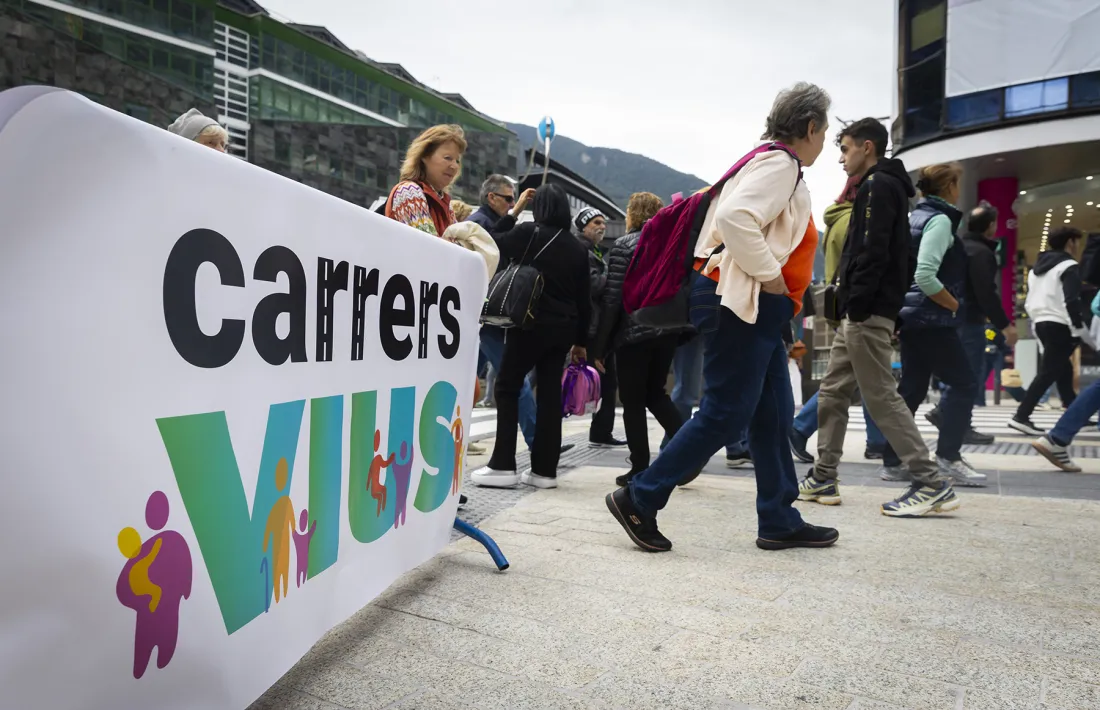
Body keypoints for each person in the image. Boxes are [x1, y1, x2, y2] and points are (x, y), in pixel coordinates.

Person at [605, 82, 839, 552]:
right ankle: (641, 497)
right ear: (810, 127)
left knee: (772, 414)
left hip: (751, 303)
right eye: (824, 131)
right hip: (741, 299)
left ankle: (778, 516)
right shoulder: (780, 164)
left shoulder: (770, 163)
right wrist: (772, 277)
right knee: (727, 411)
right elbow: (736, 217)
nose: (824, 141)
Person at [804, 118, 962, 517]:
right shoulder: (890, 189)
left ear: (868, 147)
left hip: (865, 311)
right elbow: (902, 255)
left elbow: (872, 253)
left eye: (845, 149)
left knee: (881, 397)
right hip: (865, 310)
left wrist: (859, 304)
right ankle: (824, 474)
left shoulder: (878, 186)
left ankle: (930, 481)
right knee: (834, 390)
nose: (841, 158)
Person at [870, 163, 986, 486]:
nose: (958, 190)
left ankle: (893, 461)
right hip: (932, 318)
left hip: (912, 317)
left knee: (911, 390)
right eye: (957, 184)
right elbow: (924, 274)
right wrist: (953, 303)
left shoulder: (916, 217)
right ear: (949, 186)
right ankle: (948, 456)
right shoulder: (939, 221)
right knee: (964, 384)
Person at [471, 184, 591, 489]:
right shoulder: (578, 248)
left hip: (530, 324)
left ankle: (502, 465)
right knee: (550, 396)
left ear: (538, 208)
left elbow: (492, 242)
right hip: (564, 330)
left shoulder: (528, 233)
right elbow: (584, 300)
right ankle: (544, 471)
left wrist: (514, 211)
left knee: (508, 386)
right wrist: (581, 343)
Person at [592, 192, 695, 487]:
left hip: (633, 333)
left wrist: (600, 346)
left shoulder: (624, 245)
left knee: (634, 402)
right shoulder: (671, 243)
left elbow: (612, 299)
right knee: (657, 394)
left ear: (632, 214)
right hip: (668, 332)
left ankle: (639, 468)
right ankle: (691, 451)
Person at [789, 175, 887, 463]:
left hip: (841, 305)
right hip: (856, 307)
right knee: (850, 376)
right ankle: (799, 428)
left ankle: (877, 441)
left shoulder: (837, 219)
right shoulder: (854, 222)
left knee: (862, 373)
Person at [924, 202, 1016, 444]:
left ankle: (947, 414)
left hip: (952, 317)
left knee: (960, 373)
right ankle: (957, 425)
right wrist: (1004, 324)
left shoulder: (960, 246)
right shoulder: (982, 253)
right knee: (968, 376)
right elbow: (986, 292)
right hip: (970, 320)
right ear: (991, 226)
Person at [1010, 226, 1086, 435]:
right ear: (1070, 243)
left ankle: (1074, 412)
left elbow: (1029, 299)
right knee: (1048, 372)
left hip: (1040, 322)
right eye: (1076, 242)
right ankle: (1021, 416)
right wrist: (1078, 327)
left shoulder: (1036, 269)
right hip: (1059, 323)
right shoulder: (1069, 266)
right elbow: (1072, 300)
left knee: (1063, 368)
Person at [574, 207, 626, 449]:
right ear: (583, 226)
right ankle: (600, 431)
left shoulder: (594, 251)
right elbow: (591, 285)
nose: (601, 226)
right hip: (590, 327)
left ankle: (601, 431)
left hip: (598, 325)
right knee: (602, 380)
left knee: (608, 381)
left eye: (603, 222)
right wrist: (615, 279)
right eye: (596, 222)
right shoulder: (581, 250)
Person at [468, 174, 534, 233]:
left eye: (513, 200)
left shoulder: (484, 222)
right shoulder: (479, 225)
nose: (513, 204)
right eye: (509, 199)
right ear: (492, 198)